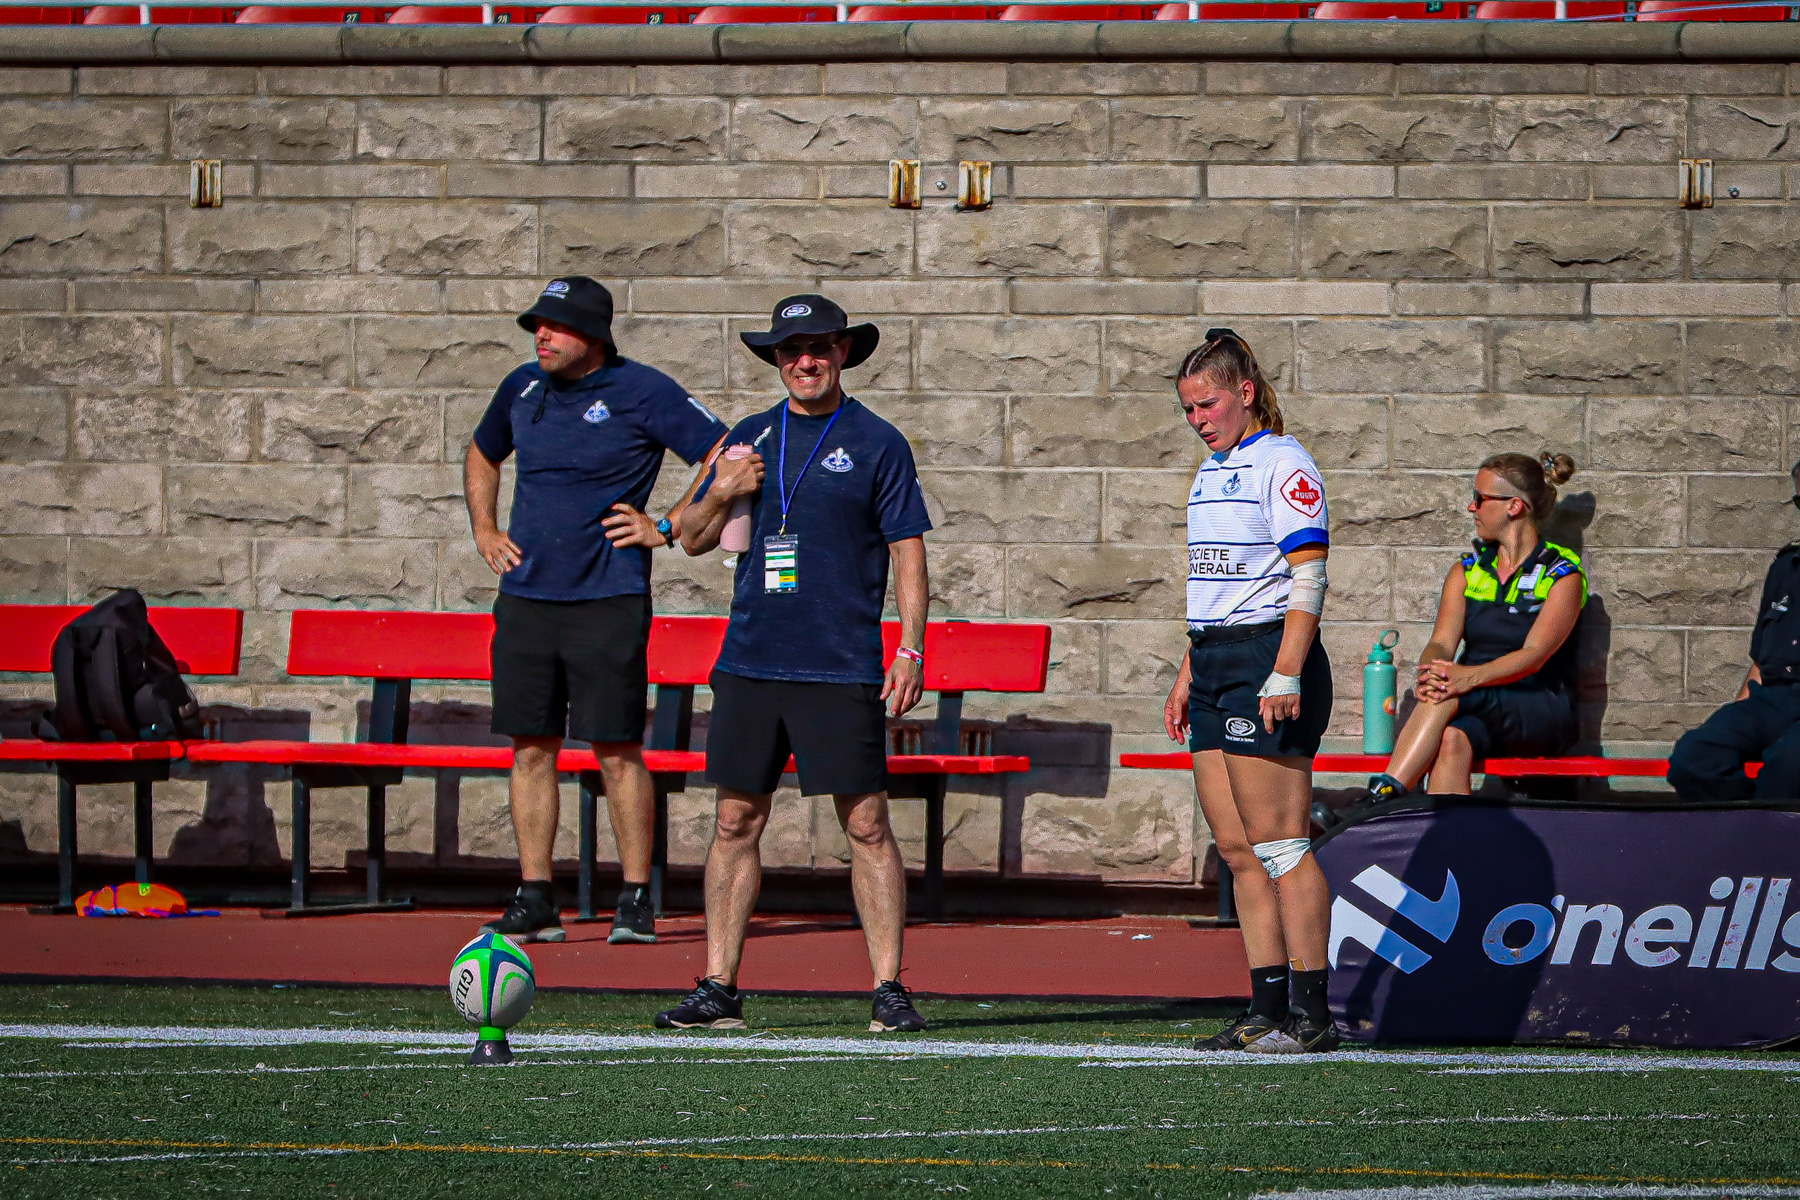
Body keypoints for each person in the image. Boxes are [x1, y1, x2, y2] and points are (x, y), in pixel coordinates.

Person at [653, 295, 932, 1034]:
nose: (803, 362)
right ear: (775, 359)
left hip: (840, 664)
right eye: (789, 351)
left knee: (867, 824)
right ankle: (718, 988)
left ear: (843, 353)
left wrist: (910, 645)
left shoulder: (878, 442)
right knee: (735, 820)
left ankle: (888, 989)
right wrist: (722, 487)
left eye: (817, 349)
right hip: (751, 660)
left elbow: (908, 549)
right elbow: (689, 538)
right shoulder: (745, 437)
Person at [463, 276, 727, 946]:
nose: (540, 338)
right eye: (535, 328)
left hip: (606, 598)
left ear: (594, 335)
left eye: (553, 327)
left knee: (616, 749)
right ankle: (536, 897)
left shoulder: (644, 391)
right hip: (526, 598)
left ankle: (636, 898)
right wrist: (485, 531)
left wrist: (664, 525)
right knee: (530, 748)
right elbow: (483, 451)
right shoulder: (522, 387)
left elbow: (724, 453)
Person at [1162, 328, 1339, 1054]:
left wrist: (1287, 670)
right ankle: (1264, 1008)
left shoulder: (1284, 462)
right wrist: (1186, 674)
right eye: (1188, 410)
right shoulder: (1213, 469)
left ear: (1244, 392)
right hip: (1214, 662)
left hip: (1267, 656)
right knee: (1236, 848)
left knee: (1280, 843)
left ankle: (1313, 1013)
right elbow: (1217, 583)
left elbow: (1308, 576)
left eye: (1207, 404)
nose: (1199, 419)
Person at [1353, 453, 1587, 806]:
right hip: (1472, 699)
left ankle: (1384, 796)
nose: (1471, 507)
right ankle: (1450, 851)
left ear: (1514, 507)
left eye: (1480, 498)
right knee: (1451, 739)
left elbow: (1534, 656)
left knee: (1449, 692)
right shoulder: (1468, 569)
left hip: (1538, 706)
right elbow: (1441, 643)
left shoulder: (1562, 574)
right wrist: (1435, 669)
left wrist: (1466, 678)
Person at [1669, 459, 1800, 803]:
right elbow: (1761, 658)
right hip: (1775, 699)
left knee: (1787, 768)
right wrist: (1738, 718)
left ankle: (1771, 847)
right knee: (1693, 758)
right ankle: (1748, 830)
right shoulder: (1786, 567)